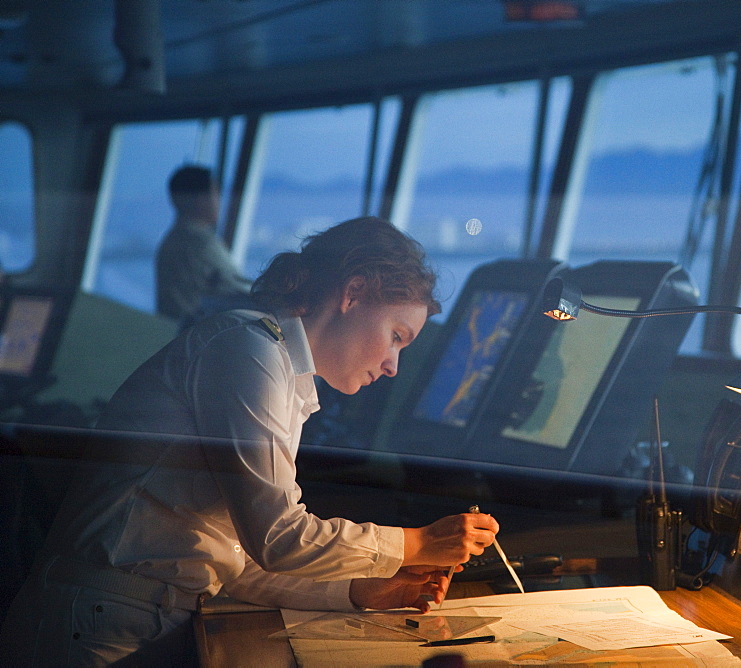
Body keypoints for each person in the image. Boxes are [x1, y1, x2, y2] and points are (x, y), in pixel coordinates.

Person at [0, 216, 500, 666]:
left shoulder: (284, 374)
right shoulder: (247, 349)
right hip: (95, 630)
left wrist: (365, 590)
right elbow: (279, 538)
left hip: (129, 618)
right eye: (397, 335)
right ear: (352, 293)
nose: (394, 366)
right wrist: (417, 542)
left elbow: (239, 561)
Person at [155, 164, 252, 323]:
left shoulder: (171, 241)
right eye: (216, 193)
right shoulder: (199, 243)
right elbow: (237, 288)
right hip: (194, 335)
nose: (219, 201)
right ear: (200, 198)